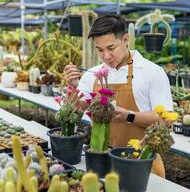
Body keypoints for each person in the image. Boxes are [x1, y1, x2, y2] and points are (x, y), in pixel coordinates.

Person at [63, 14, 173, 178]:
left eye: (111, 48)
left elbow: (165, 120)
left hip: (140, 163)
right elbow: (73, 114)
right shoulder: (93, 74)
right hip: (100, 161)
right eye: (99, 50)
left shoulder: (151, 72)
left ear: (126, 39)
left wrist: (129, 116)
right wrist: (72, 88)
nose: (106, 56)